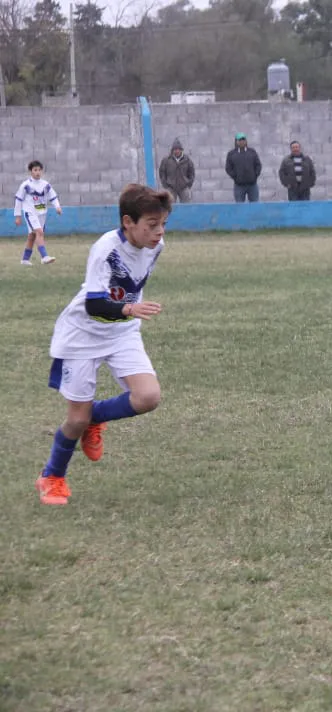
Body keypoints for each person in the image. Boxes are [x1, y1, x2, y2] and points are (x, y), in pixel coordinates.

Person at [35, 184, 171, 505]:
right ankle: (52, 476)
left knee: (148, 396)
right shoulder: (105, 249)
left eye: (163, 224)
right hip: (82, 336)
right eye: (152, 225)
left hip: (121, 331)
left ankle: (96, 417)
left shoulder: (157, 246)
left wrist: (128, 311)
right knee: (75, 419)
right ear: (128, 222)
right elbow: (94, 304)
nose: (159, 232)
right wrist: (128, 308)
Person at [14, 160, 61, 266]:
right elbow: (18, 200)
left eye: (39, 170)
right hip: (30, 213)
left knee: (32, 236)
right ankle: (44, 257)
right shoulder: (25, 185)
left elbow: (53, 196)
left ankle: (25, 259)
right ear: (31, 171)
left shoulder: (45, 185)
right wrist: (17, 216)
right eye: (35, 170)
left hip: (42, 213)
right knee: (39, 233)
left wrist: (57, 207)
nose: (37, 172)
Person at [225, 132, 261, 203]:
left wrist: (255, 176)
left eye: (243, 139)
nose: (242, 141)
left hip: (252, 185)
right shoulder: (231, 154)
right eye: (240, 140)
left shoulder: (252, 152)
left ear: (246, 141)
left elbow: (258, 165)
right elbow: (228, 168)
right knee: (239, 206)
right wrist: (236, 177)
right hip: (239, 186)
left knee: (255, 205)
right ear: (236, 141)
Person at [158, 138, 195, 203]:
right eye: (175, 149)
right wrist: (165, 185)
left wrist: (189, 184)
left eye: (178, 149)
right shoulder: (166, 160)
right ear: (172, 150)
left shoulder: (187, 160)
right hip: (171, 188)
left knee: (187, 207)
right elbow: (162, 173)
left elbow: (191, 173)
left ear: (181, 150)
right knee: (170, 207)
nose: (177, 151)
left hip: (184, 187)